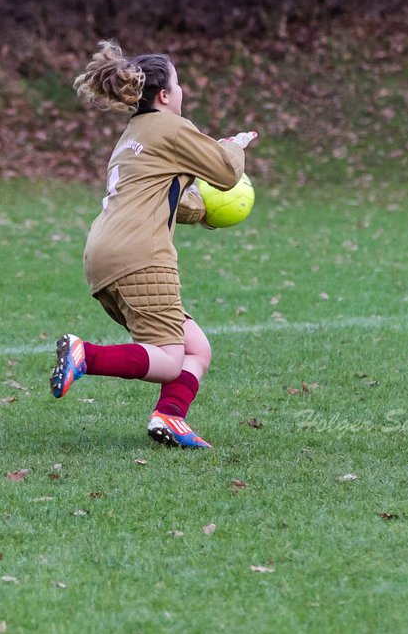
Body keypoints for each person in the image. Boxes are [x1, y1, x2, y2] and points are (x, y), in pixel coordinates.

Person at [50, 40, 257, 449]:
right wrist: (234, 144)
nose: (183, 93)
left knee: (196, 349)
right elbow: (226, 174)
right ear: (164, 95)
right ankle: (84, 355)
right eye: (179, 85)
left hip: (103, 255)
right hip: (141, 256)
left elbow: (165, 197)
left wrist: (202, 212)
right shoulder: (171, 127)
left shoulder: (133, 135)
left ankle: (170, 417)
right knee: (167, 359)